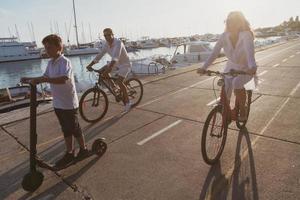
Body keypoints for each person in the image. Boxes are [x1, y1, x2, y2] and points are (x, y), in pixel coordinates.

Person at [21, 34, 88, 168]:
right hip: (58, 103)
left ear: (59, 47)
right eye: (45, 48)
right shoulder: (50, 63)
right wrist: (28, 78)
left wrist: (45, 80)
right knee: (65, 129)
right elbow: (44, 76)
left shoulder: (65, 62)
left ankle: (83, 149)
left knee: (74, 128)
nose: (47, 50)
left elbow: (64, 78)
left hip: (69, 103)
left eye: (49, 47)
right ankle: (70, 152)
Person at [197, 11, 257, 122]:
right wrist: (204, 68)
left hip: (246, 69)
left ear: (240, 23)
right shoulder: (224, 36)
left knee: (236, 83)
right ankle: (226, 110)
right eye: (228, 21)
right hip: (230, 68)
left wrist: (252, 67)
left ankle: (242, 110)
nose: (231, 24)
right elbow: (214, 53)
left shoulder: (246, 35)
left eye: (234, 21)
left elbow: (250, 54)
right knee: (225, 89)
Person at [86, 28, 132, 112]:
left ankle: (128, 102)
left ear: (112, 34)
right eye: (105, 35)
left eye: (108, 35)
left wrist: (109, 68)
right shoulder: (106, 44)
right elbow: (100, 55)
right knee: (103, 73)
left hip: (125, 64)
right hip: (115, 64)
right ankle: (114, 88)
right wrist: (90, 65)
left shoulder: (118, 43)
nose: (107, 37)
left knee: (119, 82)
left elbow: (115, 58)